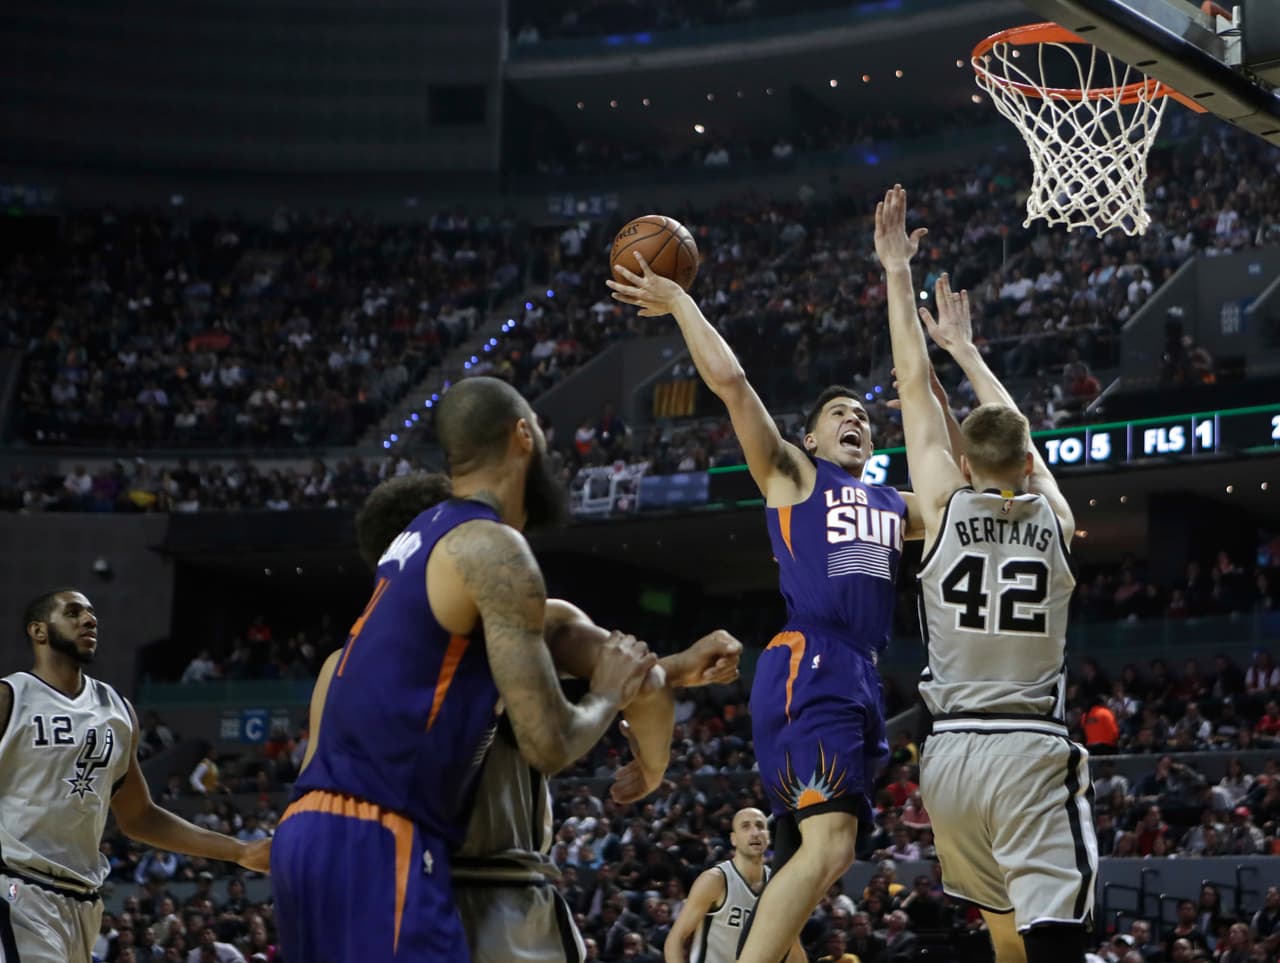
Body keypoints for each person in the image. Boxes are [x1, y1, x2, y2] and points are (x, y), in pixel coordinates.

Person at [608, 221, 946, 963]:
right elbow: (732, 384)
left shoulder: (895, 504)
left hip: (857, 673)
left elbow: (955, 491)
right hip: (811, 661)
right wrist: (679, 304)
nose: (856, 418)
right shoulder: (796, 477)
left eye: (864, 413)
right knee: (829, 849)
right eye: (839, 414)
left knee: (808, 851)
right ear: (813, 439)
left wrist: (930, 351)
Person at [270, 376, 659, 962]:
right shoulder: (491, 547)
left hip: (306, 831)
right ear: (522, 436)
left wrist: (674, 668)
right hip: (381, 835)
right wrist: (607, 694)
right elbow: (550, 744)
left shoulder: (414, 540)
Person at [335, 470, 745, 963]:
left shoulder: (343, 671)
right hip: (500, 897)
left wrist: (678, 667)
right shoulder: (517, 623)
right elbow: (639, 686)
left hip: (388, 902)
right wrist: (653, 767)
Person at [873, 185, 1097, 963]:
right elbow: (1022, 448)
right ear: (1030, 463)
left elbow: (908, 383)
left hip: (950, 758)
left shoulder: (939, 507)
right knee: (1057, 935)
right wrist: (969, 353)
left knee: (1003, 935)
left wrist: (897, 271)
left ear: (966, 462)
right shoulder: (1055, 520)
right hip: (1027, 746)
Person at [1, 588, 271, 963]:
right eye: (73, 612)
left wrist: (239, 851)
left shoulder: (117, 709)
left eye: (92, 613)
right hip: (16, 890)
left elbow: (140, 816)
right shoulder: (11, 697)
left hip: (82, 902)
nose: (89, 620)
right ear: (39, 631)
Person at [663, 808, 803, 963]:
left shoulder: (779, 884)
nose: (755, 832)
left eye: (760, 826)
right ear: (733, 839)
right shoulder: (715, 880)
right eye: (746, 826)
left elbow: (793, 948)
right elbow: (675, 939)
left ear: (768, 837)